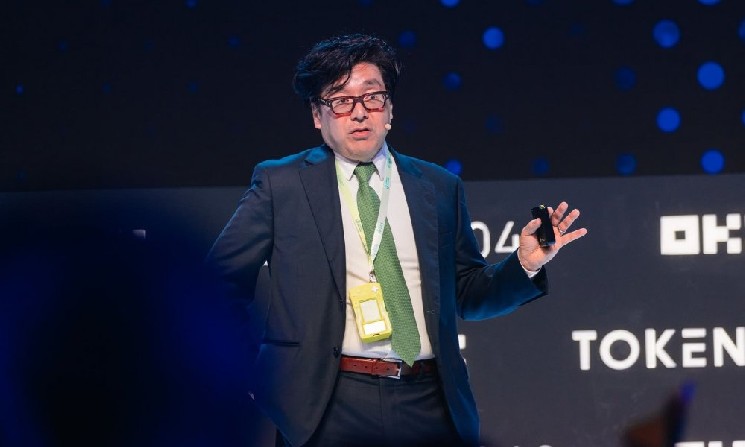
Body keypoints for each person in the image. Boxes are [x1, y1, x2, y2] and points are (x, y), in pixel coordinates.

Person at [206, 33, 587, 447]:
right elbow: (218, 284)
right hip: (325, 403)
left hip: (429, 399)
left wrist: (525, 263)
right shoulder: (281, 184)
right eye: (340, 100)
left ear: (389, 108)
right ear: (318, 115)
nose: (359, 113)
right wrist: (248, 373)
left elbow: (467, 295)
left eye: (372, 97)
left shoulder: (438, 186)